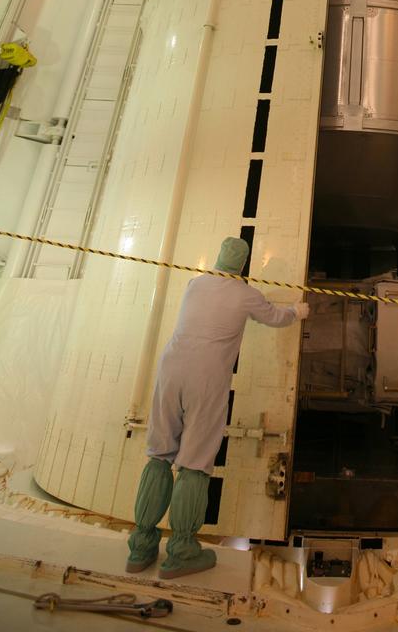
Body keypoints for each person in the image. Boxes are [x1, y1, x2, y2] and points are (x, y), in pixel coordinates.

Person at [126, 236, 309, 579]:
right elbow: (276, 317)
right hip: (206, 379)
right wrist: (298, 311)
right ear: (242, 264)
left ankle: (141, 546)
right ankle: (180, 551)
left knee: (159, 455)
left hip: (171, 368)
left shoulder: (195, 284)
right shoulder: (246, 294)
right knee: (194, 463)